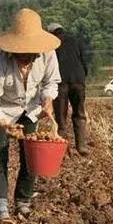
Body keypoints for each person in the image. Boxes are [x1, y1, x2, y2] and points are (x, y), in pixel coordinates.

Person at [0, 8, 61, 220]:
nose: (26, 57)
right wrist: (3, 124)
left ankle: (23, 200)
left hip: (31, 108)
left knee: (32, 155)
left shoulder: (47, 53)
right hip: (2, 109)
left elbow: (51, 82)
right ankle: (1, 205)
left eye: (30, 53)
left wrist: (47, 98)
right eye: (21, 53)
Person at [47, 23, 90, 156]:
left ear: (51, 33)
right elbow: (85, 61)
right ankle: (81, 145)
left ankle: (63, 149)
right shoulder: (76, 40)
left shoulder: (51, 43)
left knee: (61, 117)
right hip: (78, 81)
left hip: (60, 82)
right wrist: (82, 77)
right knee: (79, 112)